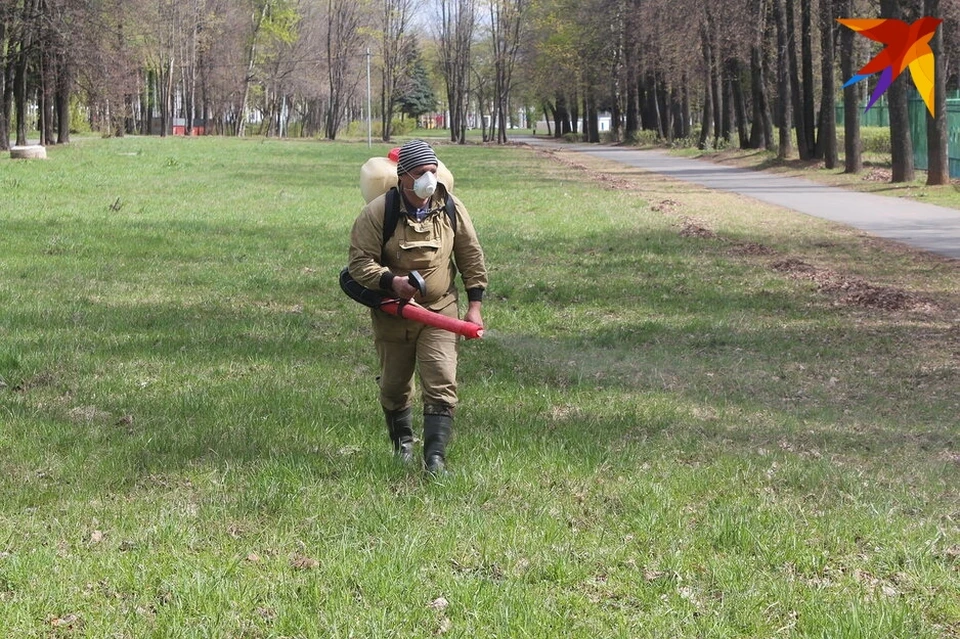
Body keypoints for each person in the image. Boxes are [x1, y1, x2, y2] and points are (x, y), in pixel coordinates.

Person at [347, 140, 488, 474]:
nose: (429, 179)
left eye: (433, 171)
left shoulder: (451, 207)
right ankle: (402, 446)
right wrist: (391, 283)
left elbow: (471, 256)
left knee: (441, 379)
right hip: (394, 314)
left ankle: (435, 459)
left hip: (441, 310)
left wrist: (475, 306)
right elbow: (357, 264)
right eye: (421, 172)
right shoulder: (380, 212)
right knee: (394, 386)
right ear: (403, 176)